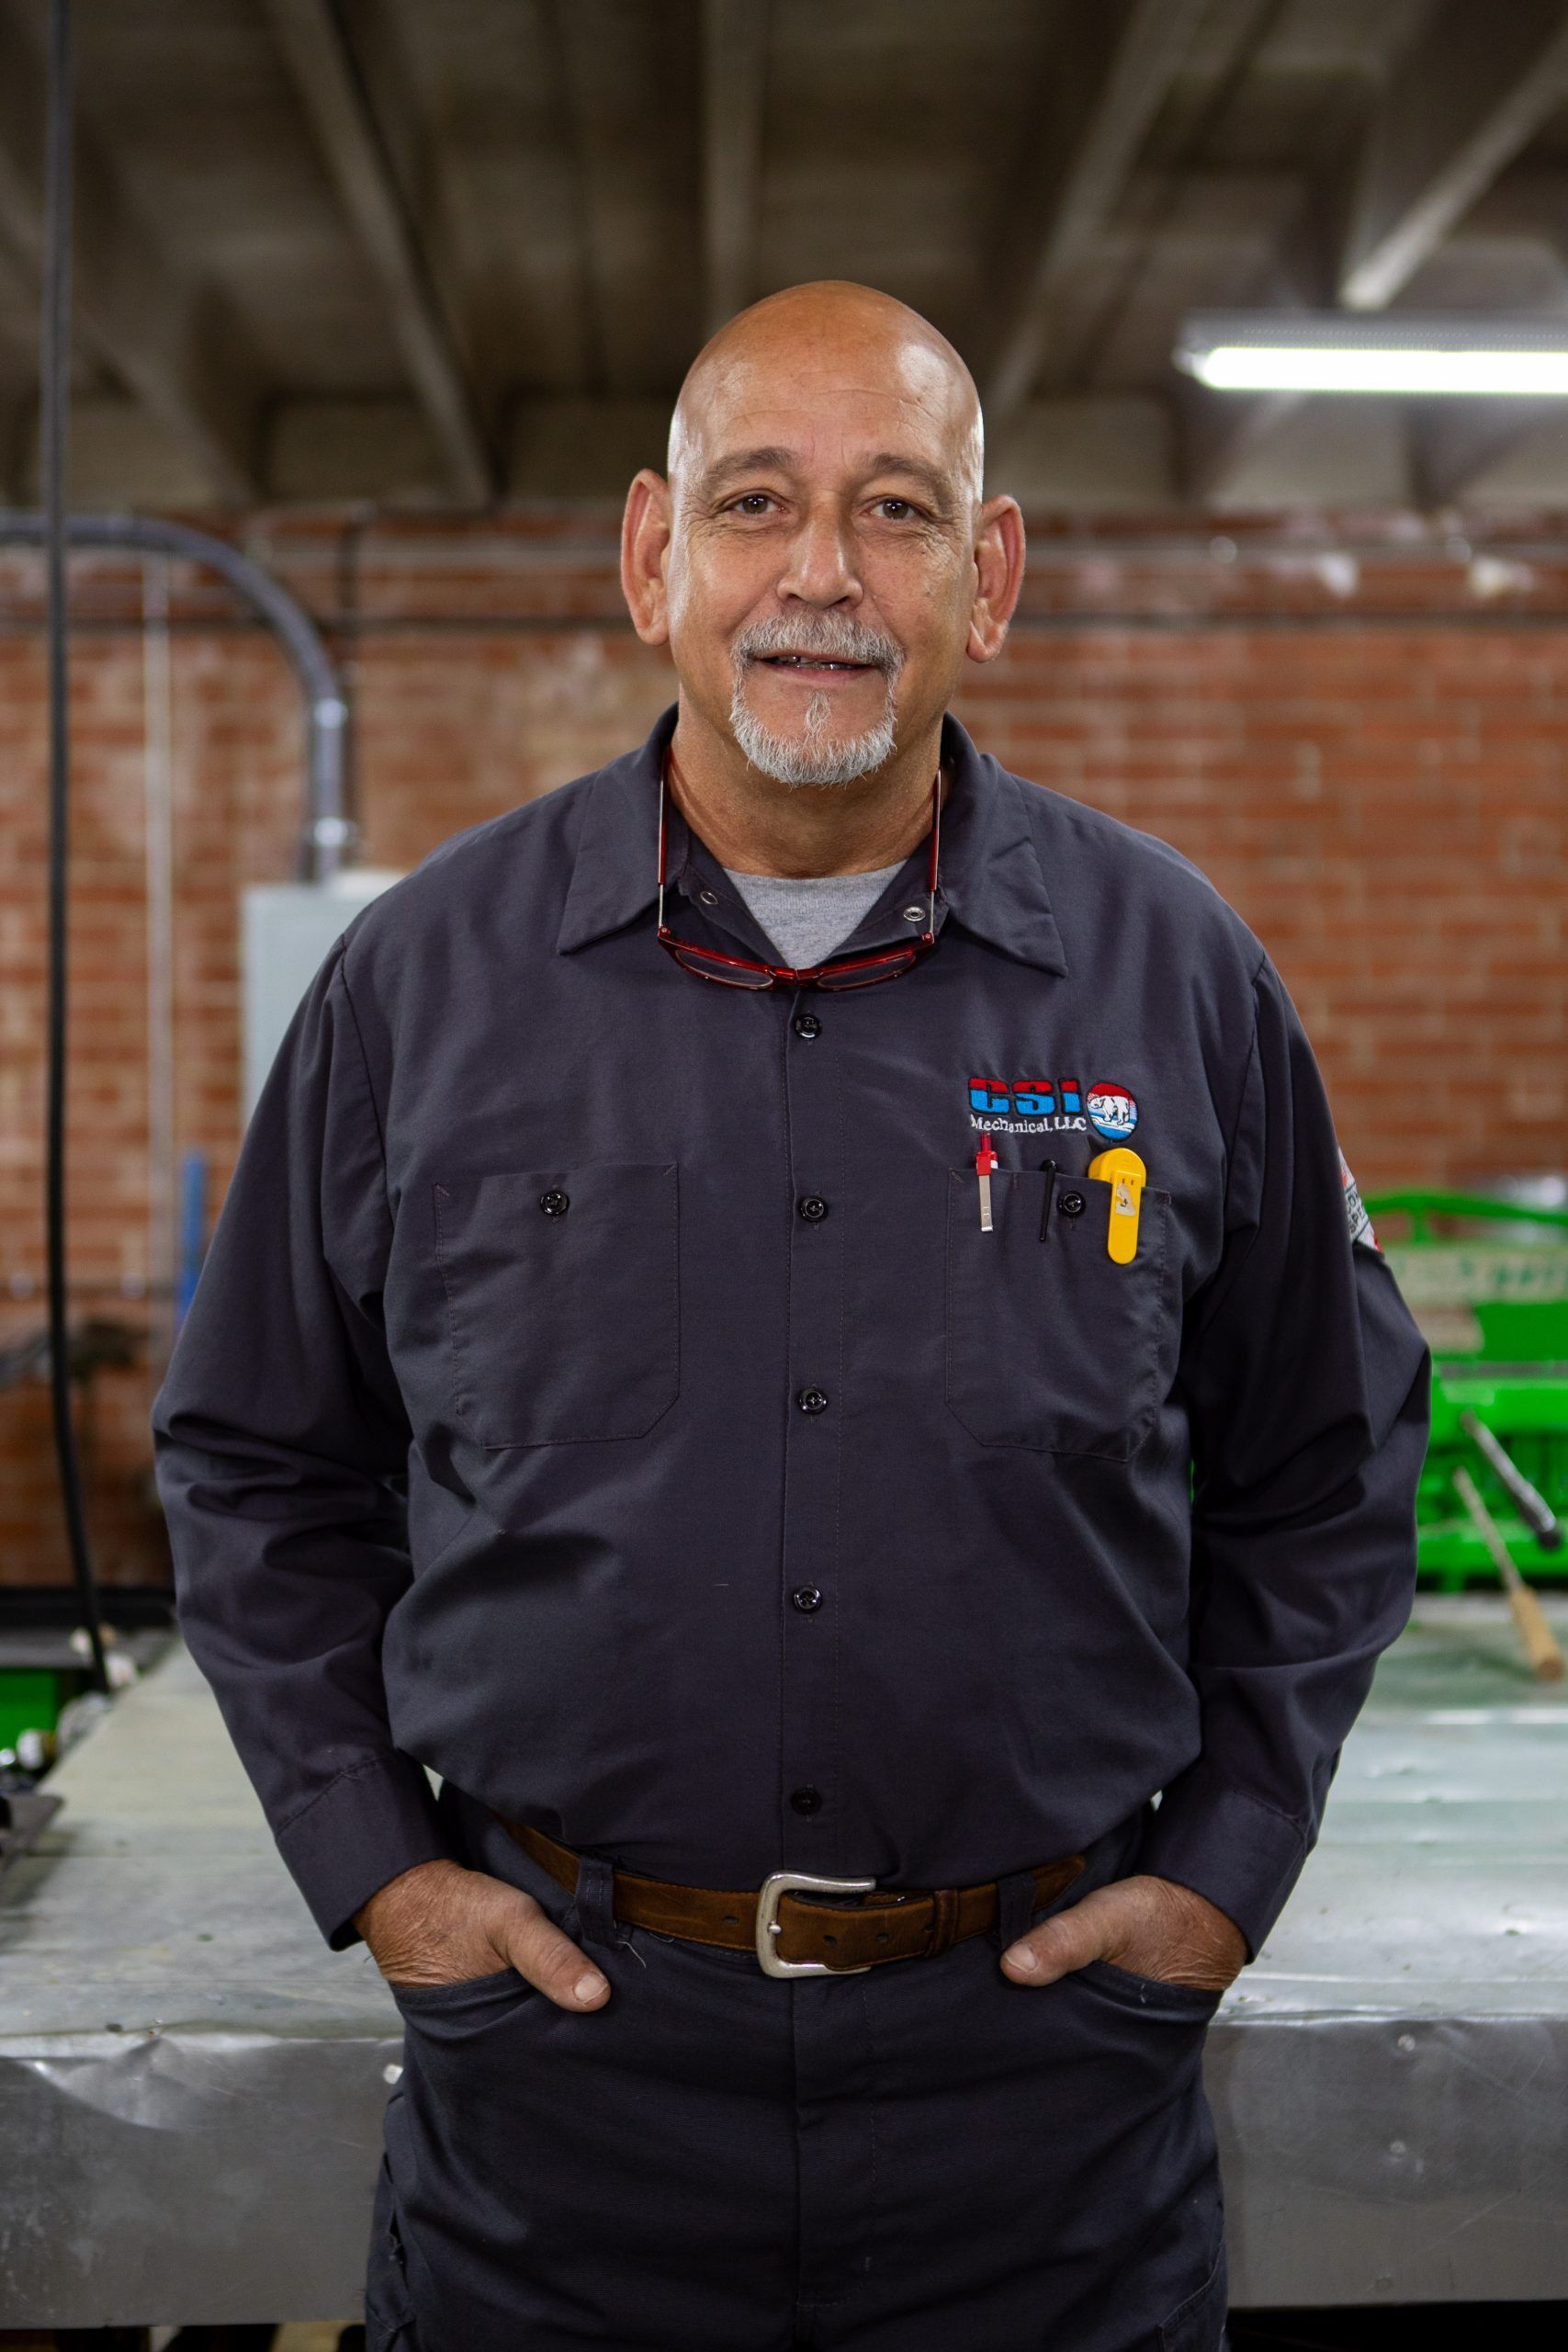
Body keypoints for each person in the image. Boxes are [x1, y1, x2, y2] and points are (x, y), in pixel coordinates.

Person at [153, 281, 1429, 2352]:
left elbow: (1329, 1462)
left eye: (896, 510)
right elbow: (255, 1465)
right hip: (562, 2097)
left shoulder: (1174, 979)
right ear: (655, 556)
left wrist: (1221, 1869)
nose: (819, 575)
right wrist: (386, 1871)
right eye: (757, 503)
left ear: (987, 575)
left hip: (1041, 2109)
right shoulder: (422, 985)